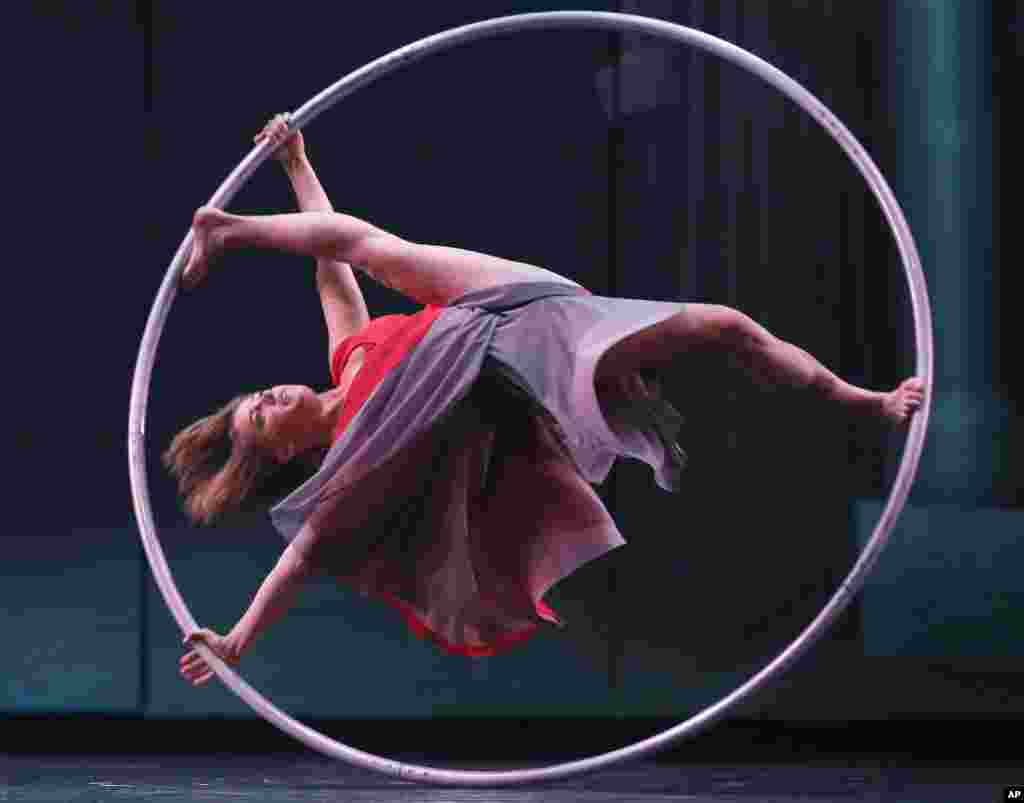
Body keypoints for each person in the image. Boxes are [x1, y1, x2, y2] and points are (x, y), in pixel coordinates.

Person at [176, 115, 924, 686]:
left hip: (507, 313)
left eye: (258, 392)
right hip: (521, 371)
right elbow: (303, 553)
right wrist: (236, 640)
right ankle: (228, 230)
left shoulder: (352, 355)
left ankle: (861, 399)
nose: (270, 392)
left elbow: (333, 266)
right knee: (720, 329)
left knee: (372, 250)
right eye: (262, 413)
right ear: (281, 452)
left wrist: (298, 162)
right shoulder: (357, 460)